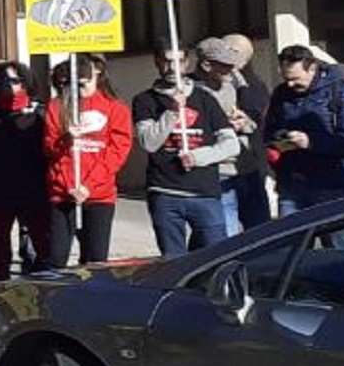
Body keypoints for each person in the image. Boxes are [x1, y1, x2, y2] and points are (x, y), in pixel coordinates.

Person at [133, 45, 237, 254]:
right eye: (167, 61)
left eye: (179, 61)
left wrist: (199, 157)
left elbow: (231, 145)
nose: (173, 67)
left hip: (204, 192)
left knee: (215, 256)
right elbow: (149, 143)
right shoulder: (145, 100)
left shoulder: (204, 98)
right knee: (174, 261)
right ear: (157, 62)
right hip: (165, 192)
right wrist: (171, 112)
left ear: (187, 63)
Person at [43, 59, 132, 268]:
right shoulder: (57, 107)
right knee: (56, 257)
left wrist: (88, 185)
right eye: (77, 85)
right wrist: (65, 140)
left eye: (85, 83)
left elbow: (116, 152)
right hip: (63, 193)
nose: (81, 90)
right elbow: (50, 149)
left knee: (96, 259)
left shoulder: (115, 108)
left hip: (99, 194)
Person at [262, 44, 344, 214]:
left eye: (296, 78)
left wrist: (310, 142)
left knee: (337, 240)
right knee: (290, 238)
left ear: (312, 68)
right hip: (292, 181)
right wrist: (281, 138)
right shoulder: (281, 94)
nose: (290, 84)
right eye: (286, 78)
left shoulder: (340, 92)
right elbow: (268, 130)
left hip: (332, 183)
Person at [0, 61, 51, 281]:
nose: (10, 86)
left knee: (46, 248)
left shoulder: (40, 114)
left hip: (34, 192)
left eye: (16, 80)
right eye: (3, 81)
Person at [193, 36, 272, 234]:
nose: (232, 69)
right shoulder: (191, 91)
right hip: (220, 172)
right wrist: (225, 126)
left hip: (247, 167)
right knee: (227, 237)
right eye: (225, 64)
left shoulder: (236, 85)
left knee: (261, 232)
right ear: (206, 65)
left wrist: (245, 123)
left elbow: (254, 122)